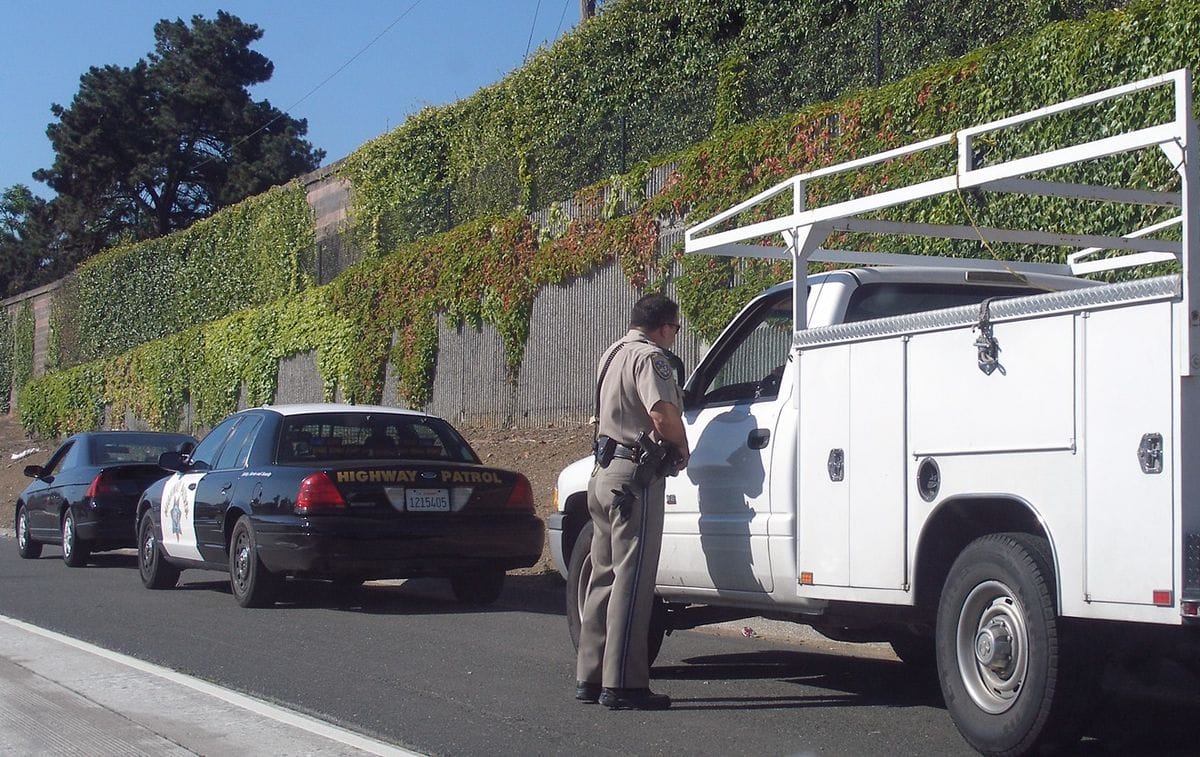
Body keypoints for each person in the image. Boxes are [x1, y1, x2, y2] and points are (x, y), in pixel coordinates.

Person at [574, 292, 690, 711]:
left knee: (602, 575)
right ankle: (623, 684)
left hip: (603, 474)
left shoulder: (612, 354)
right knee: (633, 580)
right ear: (663, 327)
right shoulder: (651, 358)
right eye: (675, 329)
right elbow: (661, 413)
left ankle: (590, 675)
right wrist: (681, 447)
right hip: (634, 478)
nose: (674, 336)